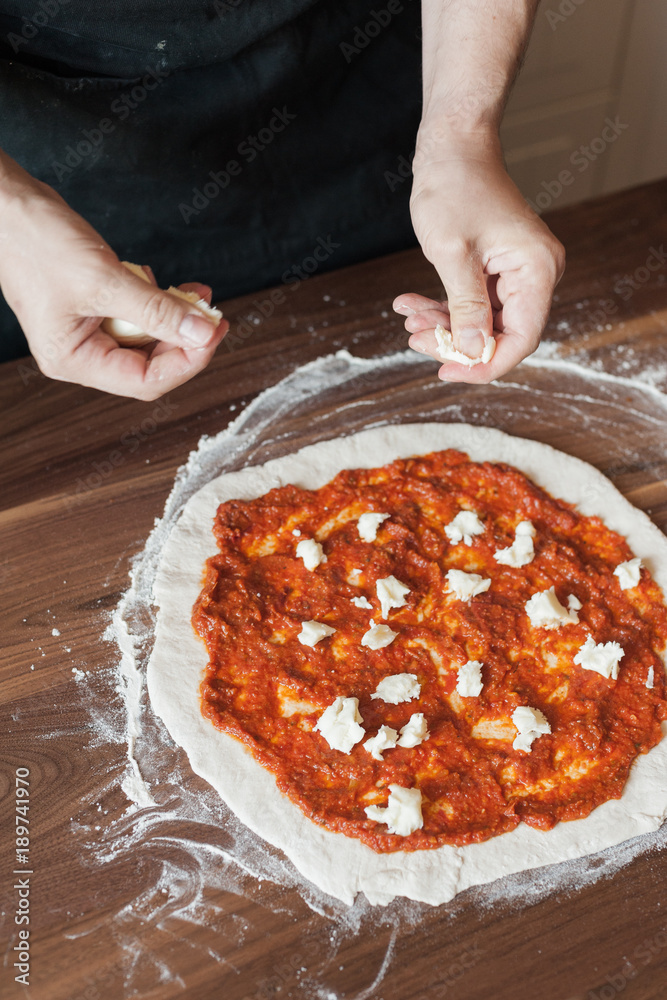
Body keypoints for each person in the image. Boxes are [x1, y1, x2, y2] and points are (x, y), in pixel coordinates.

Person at [0, 0, 564, 399]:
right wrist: (13, 218)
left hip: (345, 82)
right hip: (55, 168)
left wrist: (460, 136)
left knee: (387, 353)